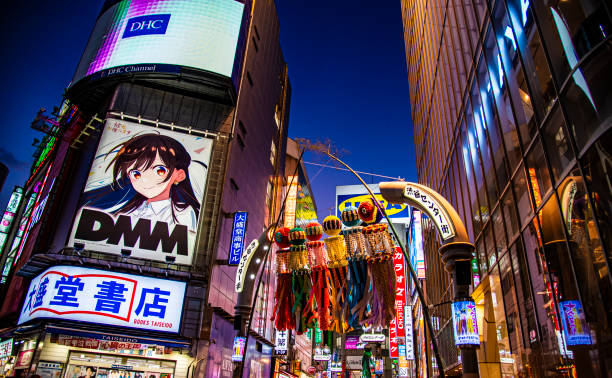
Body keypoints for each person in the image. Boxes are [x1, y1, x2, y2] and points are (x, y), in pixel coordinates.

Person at [81, 132, 206, 231]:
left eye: (160, 171)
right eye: (136, 173)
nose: (145, 180)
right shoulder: (127, 211)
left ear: (179, 175)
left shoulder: (183, 212)